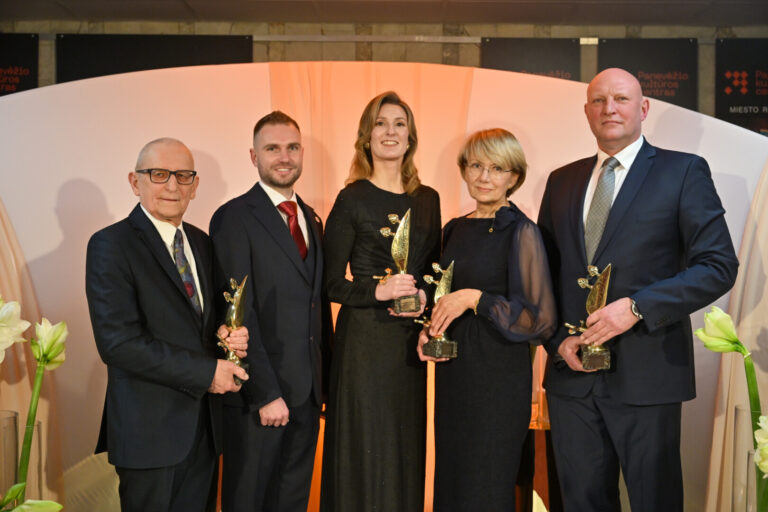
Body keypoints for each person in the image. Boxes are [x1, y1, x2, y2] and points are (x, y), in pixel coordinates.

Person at [537, 68, 739, 511]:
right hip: (573, 378)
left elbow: (718, 266)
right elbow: (544, 277)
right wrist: (556, 341)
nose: (609, 108)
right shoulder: (561, 181)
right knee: (581, 502)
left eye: (621, 99)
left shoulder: (682, 171)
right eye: (599, 100)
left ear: (643, 108)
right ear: (587, 111)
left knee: (655, 501)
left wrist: (637, 306)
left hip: (648, 374)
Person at [85, 137, 249, 512]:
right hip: (149, 438)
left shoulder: (201, 242)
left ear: (195, 185)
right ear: (134, 181)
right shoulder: (111, 245)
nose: (172, 186)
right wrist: (208, 371)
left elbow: (200, 324)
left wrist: (227, 335)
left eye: (183, 175)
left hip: (204, 434)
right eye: (159, 174)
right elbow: (118, 343)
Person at [417, 128, 556, 511]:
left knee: (486, 481)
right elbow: (438, 295)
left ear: (513, 177)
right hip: (454, 376)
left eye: (497, 168)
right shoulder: (453, 230)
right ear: (464, 170)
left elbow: (539, 320)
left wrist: (477, 299)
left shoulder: (521, 232)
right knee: (453, 477)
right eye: (476, 165)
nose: (484, 176)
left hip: (497, 380)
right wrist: (427, 328)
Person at [320, 91, 441, 511]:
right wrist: (377, 291)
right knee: (362, 451)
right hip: (362, 348)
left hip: (408, 348)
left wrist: (426, 295)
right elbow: (331, 284)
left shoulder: (428, 199)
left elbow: (433, 272)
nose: (390, 132)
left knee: (404, 448)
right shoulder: (351, 198)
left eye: (399, 124)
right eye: (380, 123)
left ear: (410, 138)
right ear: (366, 137)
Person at [209, 111, 328, 512]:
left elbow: (315, 307)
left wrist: (322, 386)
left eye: (292, 147)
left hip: (308, 396)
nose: (284, 157)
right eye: (272, 148)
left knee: (291, 502)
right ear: (253, 155)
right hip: (260, 397)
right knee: (249, 501)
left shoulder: (311, 218)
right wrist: (265, 393)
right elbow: (236, 315)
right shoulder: (234, 217)